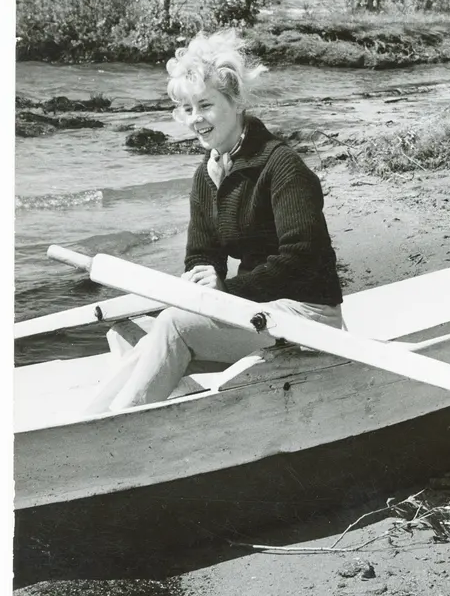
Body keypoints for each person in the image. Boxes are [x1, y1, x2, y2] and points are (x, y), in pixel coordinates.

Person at [89, 29, 345, 413]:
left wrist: (225, 288)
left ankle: (112, 432)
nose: (196, 120)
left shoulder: (282, 166)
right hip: (255, 310)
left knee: (173, 325)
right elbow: (201, 254)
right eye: (188, 109)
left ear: (236, 100)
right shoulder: (206, 174)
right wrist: (202, 276)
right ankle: (104, 420)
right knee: (129, 330)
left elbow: (301, 259)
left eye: (205, 105)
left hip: (308, 316)